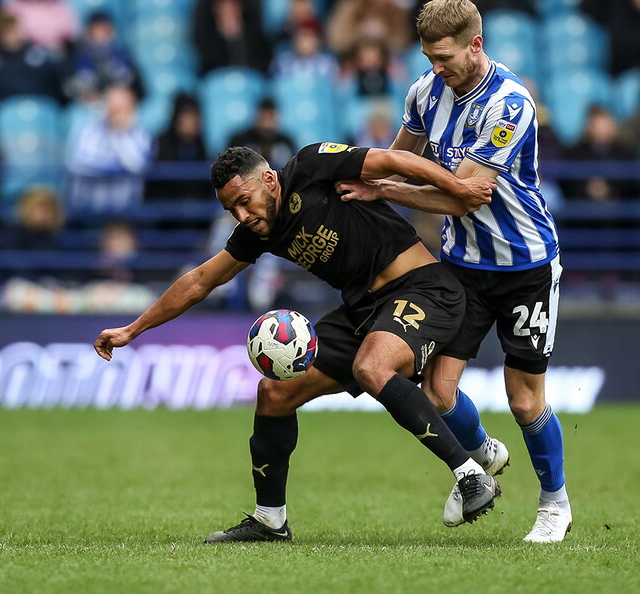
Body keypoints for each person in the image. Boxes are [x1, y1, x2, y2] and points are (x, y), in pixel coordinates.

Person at [93, 142, 500, 542]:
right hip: (362, 311)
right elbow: (201, 281)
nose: (241, 215)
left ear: (269, 180)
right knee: (273, 392)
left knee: (373, 367)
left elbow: (395, 159)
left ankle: (470, 474)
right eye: (230, 209)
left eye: (244, 200)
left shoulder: (310, 166)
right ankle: (270, 519)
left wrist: (457, 188)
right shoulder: (257, 232)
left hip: (423, 289)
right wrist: (134, 329)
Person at [336, 0, 571, 542]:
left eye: (444, 58)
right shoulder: (424, 91)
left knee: (523, 398)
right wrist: (364, 181)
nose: (435, 68)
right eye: (428, 57)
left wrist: (386, 189)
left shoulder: (510, 105)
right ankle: (483, 452)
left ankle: (554, 504)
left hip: (524, 264)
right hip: (462, 266)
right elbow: (395, 158)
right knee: (436, 390)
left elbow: (465, 196)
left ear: (476, 44)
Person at [66, 85, 152, 213]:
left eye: (121, 107)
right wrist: (118, 168)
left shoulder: (142, 135)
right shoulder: (88, 130)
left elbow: (137, 166)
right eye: (112, 105)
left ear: (132, 108)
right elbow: (78, 164)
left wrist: (119, 134)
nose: (115, 111)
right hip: (87, 210)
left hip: (124, 211)